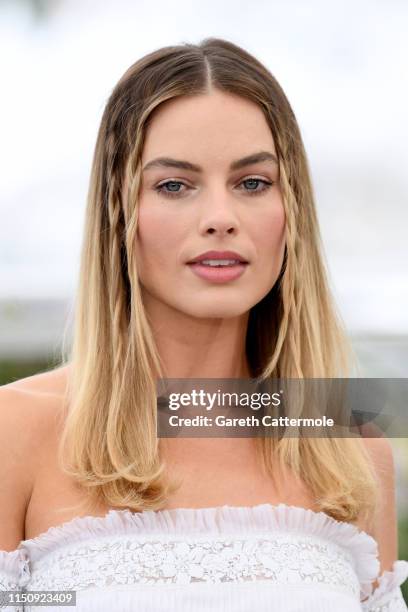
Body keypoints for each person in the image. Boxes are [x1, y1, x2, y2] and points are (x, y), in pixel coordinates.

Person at [0, 37, 407, 611]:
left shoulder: (349, 449)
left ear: (292, 210)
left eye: (252, 183)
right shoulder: (14, 431)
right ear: (120, 212)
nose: (220, 218)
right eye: (174, 185)